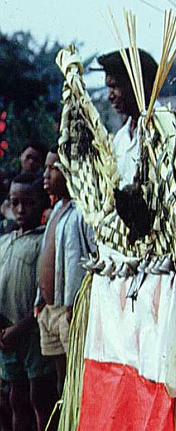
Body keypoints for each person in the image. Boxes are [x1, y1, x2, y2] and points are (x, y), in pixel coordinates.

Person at [0, 174, 55, 431]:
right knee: (15, 397)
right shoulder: (5, 241)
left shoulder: (41, 241)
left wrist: (20, 327)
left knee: (39, 397)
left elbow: (42, 291)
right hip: (7, 333)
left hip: (30, 330)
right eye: (15, 203)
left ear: (41, 204)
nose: (21, 209)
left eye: (28, 203)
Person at [36, 152, 91, 403]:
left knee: (76, 376)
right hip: (50, 308)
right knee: (60, 377)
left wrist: (74, 303)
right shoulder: (57, 208)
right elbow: (47, 251)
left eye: (53, 168)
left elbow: (86, 260)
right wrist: (40, 298)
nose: (46, 174)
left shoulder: (82, 211)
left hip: (69, 311)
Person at [95, 47, 159, 187]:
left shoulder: (165, 130)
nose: (110, 96)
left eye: (115, 86)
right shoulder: (120, 139)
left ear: (138, 84)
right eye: (108, 88)